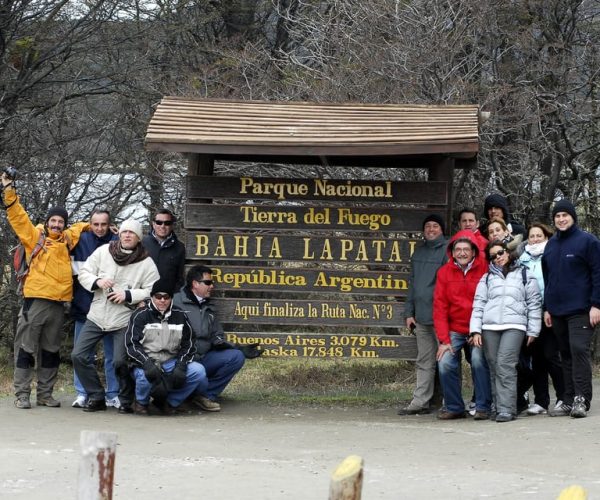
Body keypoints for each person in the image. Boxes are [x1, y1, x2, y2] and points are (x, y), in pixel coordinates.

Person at [1, 172, 88, 409]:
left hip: (59, 304)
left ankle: (45, 394)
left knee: (51, 351)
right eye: (54, 221)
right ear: (47, 221)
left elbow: (82, 227)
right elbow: (17, 216)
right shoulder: (34, 237)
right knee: (26, 349)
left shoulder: (67, 239)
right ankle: (21, 394)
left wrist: (100, 224)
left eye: (60, 221)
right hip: (35, 302)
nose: (57, 224)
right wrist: (9, 190)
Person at [71, 219, 160, 413]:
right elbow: (84, 272)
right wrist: (98, 281)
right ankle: (96, 395)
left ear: (138, 238)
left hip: (124, 318)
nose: (127, 235)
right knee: (78, 355)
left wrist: (128, 295)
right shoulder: (104, 252)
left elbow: (154, 290)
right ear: (119, 234)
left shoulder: (146, 262)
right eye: (124, 232)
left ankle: (125, 400)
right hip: (97, 314)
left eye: (132, 233)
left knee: (120, 361)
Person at [173, 265, 262, 412]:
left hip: (204, 356)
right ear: (195, 284)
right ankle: (180, 396)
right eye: (208, 283)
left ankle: (205, 396)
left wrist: (237, 348)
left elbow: (217, 336)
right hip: (183, 358)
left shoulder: (208, 306)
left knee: (236, 357)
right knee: (196, 371)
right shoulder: (175, 302)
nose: (212, 286)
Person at [470, 240, 542, 422]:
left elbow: (534, 303)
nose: (498, 258)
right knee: (494, 365)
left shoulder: (525, 273)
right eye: (493, 256)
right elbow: (478, 305)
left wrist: (533, 330)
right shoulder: (486, 278)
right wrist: (475, 331)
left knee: (505, 364)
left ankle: (508, 408)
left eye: (500, 253)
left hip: (515, 325)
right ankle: (497, 406)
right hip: (489, 327)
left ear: (508, 252)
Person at [542, 199, 600, 418]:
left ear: (573, 217)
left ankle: (581, 399)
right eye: (557, 216)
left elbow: (598, 274)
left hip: (582, 309)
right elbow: (548, 279)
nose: (561, 219)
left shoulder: (588, 241)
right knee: (564, 353)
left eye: (565, 215)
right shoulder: (551, 244)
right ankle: (567, 399)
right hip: (557, 311)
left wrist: (596, 304)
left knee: (578, 350)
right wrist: (547, 308)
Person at [124, 279, 207, 415]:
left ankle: (170, 402)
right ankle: (141, 402)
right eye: (158, 296)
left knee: (198, 371)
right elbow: (131, 344)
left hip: (171, 360)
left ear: (171, 298)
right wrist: (147, 364)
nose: (162, 300)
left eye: (166, 297)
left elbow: (189, 343)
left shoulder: (180, 315)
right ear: (152, 297)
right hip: (145, 361)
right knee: (144, 377)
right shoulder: (140, 315)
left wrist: (181, 365)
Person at [433, 230, 492, 420]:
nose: (462, 253)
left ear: (474, 251)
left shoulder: (485, 268)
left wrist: (481, 329)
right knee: (445, 362)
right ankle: (454, 406)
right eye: (458, 249)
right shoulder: (444, 272)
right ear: (452, 251)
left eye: (466, 249)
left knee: (477, 360)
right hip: (454, 329)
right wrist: (444, 340)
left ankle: (483, 406)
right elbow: (440, 307)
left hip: (479, 328)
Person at [398, 214, 447, 415]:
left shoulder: (448, 250)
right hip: (421, 317)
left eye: (435, 226)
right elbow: (412, 284)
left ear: (441, 229)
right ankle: (420, 402)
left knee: (447, 362)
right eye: (428, 226)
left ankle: (450, 402)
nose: (431, 229)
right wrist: (409, 312)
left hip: (441, 316)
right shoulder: (418, 253)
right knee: (424, 361)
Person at [70, 209, 119, 409]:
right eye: (95, 224)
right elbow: (54, 231)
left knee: (112, 356)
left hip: (112, 309)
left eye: (104, 224)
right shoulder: (78, 240)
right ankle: (82, 393)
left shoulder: (118, 241)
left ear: (110, 224)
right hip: (84, 307)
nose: (99, 228)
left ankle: (113, 394)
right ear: (89, 224)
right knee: (82, 354)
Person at [518, 223, 565, 415]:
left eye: (539, 236)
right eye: (532, 236)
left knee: (551, 355)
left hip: (550, 311)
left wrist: (551, 308)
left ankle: (563, 396)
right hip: (530, 313)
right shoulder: (521, 260)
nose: (535, 239)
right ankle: (541, 400)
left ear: (547, 237)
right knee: (536, 358)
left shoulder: (554, 255)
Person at [142, 208, 186, 290]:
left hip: (168, 298)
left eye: (167, 223)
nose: (163, 226)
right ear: (153, 224)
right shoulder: (142, 244)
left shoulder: (179, 247)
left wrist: (173, 296)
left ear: (172, 225)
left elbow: (180, 277)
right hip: (144, 296)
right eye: (159, 222)